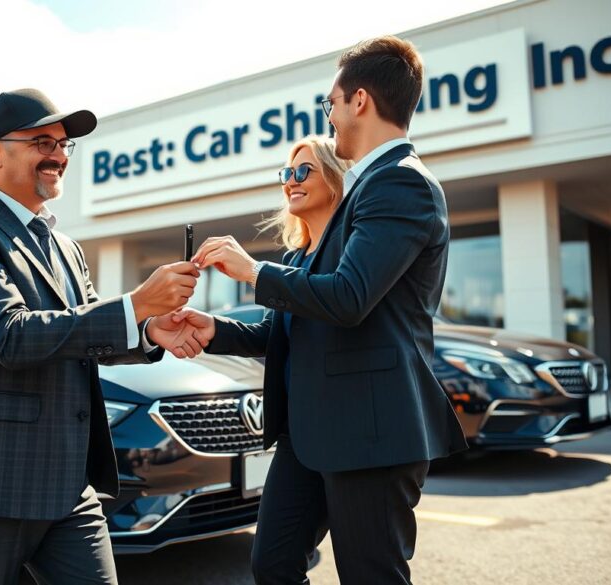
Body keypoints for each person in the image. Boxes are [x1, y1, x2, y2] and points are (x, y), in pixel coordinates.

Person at [153, 36, 468, 584]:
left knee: (372, 575)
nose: (331, 117)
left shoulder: (401, 183)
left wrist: (253, 270)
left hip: (370, 432)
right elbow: (300, 321)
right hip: (312, 431)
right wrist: (215, 330)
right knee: (273, 563)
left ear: (360, 101)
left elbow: (347, 299)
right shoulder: (364, 192)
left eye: (331, 104)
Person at [0, 88, 206, 585]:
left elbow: (85, 334)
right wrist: (135, 304)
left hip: (69, 484)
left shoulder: (66, 246)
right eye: (43, 141)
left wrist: (151, 330)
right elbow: (9, 335)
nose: (60, 155)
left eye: (65, 144)